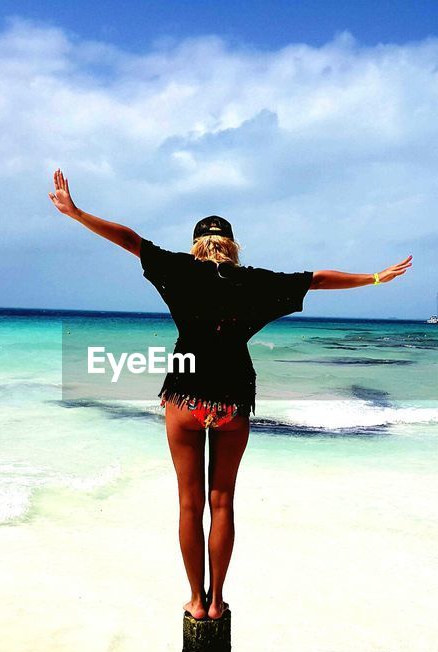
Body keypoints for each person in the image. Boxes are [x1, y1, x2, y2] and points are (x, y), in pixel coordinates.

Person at [48, 168, 412, 620]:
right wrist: (374, 278)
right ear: (232, 246)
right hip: (233, 401)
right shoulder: (258, 282)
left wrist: (77, 213)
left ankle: (196, 602)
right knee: (222, 501)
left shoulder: (177, 270)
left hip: (184, 397)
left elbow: (129, 239)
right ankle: (218, 600)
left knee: (189, 502)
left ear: (196, 245)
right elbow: (317, 279)